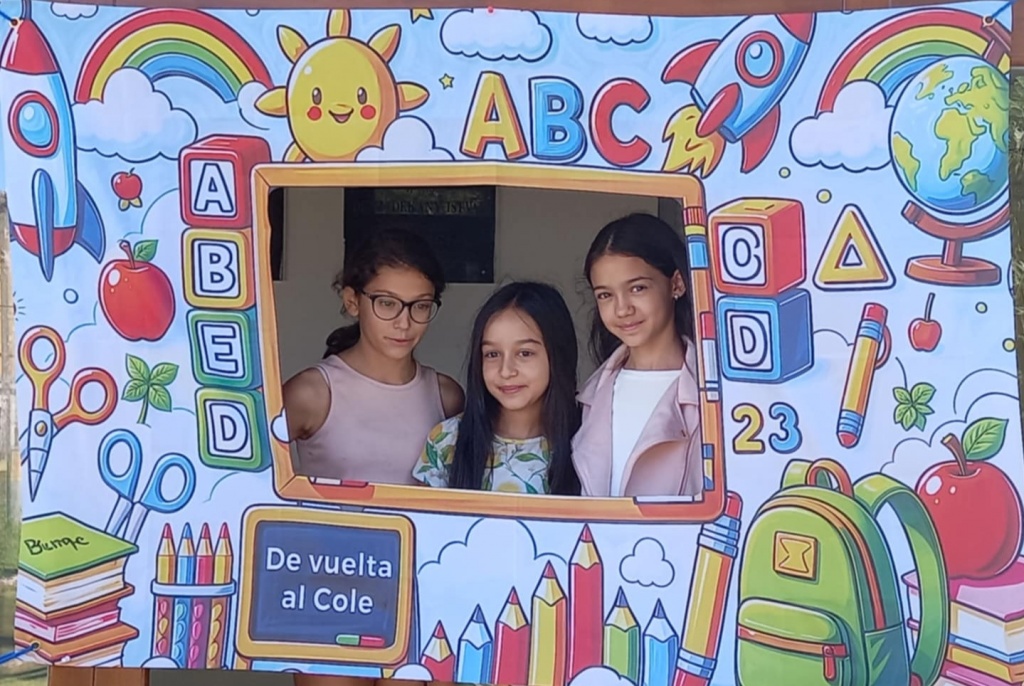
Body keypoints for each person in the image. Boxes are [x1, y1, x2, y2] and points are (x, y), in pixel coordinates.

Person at [282, 228, 464, 686]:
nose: (404, 322)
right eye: (387, 303)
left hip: (416, 592)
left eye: (420, 305)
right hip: (324, 594)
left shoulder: (446, 397)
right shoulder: (312, 392)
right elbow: (246, 482)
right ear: (352, 300)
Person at [572, 212, 703, 497]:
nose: (622, 309)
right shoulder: (591, 396)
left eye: (637, 288)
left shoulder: (711, 394)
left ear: (676, 284)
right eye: (605, 295)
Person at [414, 281, 581, 495]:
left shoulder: (588, 441)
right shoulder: (447, 441)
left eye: (525, 353)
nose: (506, 370)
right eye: (492, 354)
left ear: (558, 354)